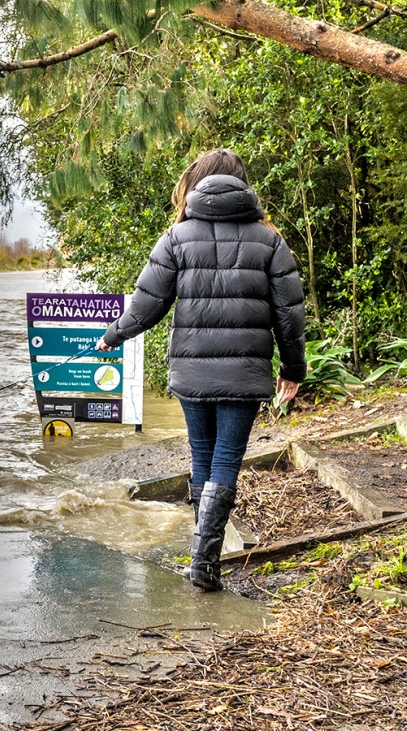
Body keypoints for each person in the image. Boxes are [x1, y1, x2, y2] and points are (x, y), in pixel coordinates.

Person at [96, 148, 306, 592]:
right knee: (226, 459)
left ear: (198, 183)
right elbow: (289, 313)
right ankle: (204, 562)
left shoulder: (177, 237)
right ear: (242, 184)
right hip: (245, 373)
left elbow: (148, 304)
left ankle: (201, 557)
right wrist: (293, 368)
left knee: (202, 456)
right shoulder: (269, 239)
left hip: (192, 373)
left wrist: (113, 335)